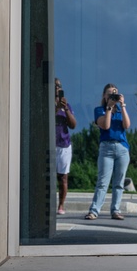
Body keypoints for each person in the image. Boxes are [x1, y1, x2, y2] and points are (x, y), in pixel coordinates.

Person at [84, 84, 130, 220]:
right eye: (110, 94)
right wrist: (109, 108)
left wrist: (122, 106)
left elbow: (127, 125)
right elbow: (106, 125)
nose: (112, 96)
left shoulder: (120, 111)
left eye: (115, 94)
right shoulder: (99, 110)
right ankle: (94, 210)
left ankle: (115, 210)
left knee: (119, 182)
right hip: (106, 148)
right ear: (104, 96)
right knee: (103, 182)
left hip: (122, 148)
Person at [53, 77, 76, 215]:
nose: (57, 88)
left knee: (63, 177)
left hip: (64, 146)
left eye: (59, 86)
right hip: (50, 145)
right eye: (55, 86)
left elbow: (73, 125)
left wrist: (65, 108)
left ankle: (61, 205)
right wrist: (56, 107)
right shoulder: (48, 103)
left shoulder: (67, 105)